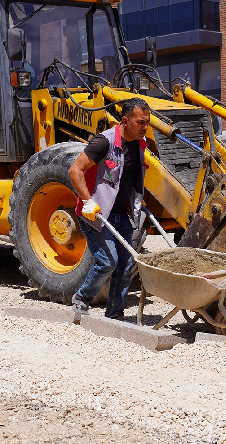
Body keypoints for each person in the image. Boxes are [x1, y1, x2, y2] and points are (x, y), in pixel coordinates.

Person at [68, 97, 150, 319]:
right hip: (96, 215)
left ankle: (115, 315)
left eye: (147, 122)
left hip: (121, 214)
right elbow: (75, 170)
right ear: (125, 120)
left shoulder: (140, 143)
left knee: (125, 265)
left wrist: (138, 202)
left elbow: (133, 176)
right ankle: (82, 297)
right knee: (108, 262)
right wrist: (87, 201)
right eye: (140, 122)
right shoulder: (103, 142)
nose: (145, 127)